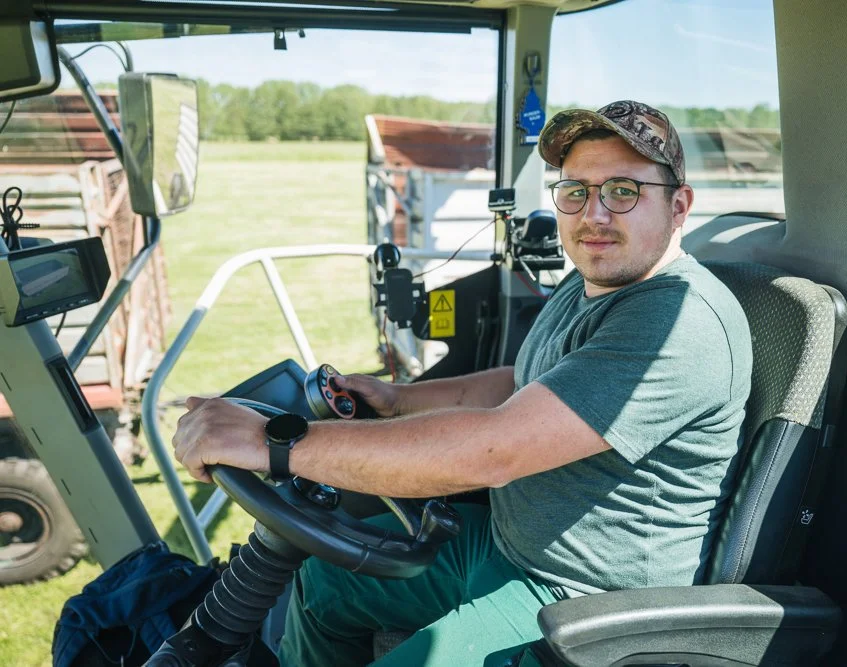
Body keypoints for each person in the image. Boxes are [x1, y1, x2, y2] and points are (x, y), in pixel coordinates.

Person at [172, 99, 753, 667]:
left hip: (580, 602)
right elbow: (523, 383)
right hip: (505, 543)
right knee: (325, 584)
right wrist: (399, 399)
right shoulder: (594, 281)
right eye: (576, 191)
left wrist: (273, 443)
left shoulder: (676, 321)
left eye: (623, 191)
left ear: (679, 206)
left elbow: (494, 449)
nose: (593, 214)